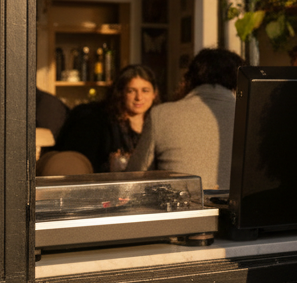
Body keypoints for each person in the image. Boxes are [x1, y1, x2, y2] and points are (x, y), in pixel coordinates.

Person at [127, 48, 243, 188]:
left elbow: (135, 176)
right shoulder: (250, 117)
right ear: (238, 81)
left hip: (181, 201)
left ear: (189, 78)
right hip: (240, 203)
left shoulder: (162, 114)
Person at [53, 65, 159, 172]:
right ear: (121, 93)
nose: (139, 97)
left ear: (154, 94)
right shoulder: (98, 122)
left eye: (145, 91)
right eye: (131, 91)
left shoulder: (160, 123)